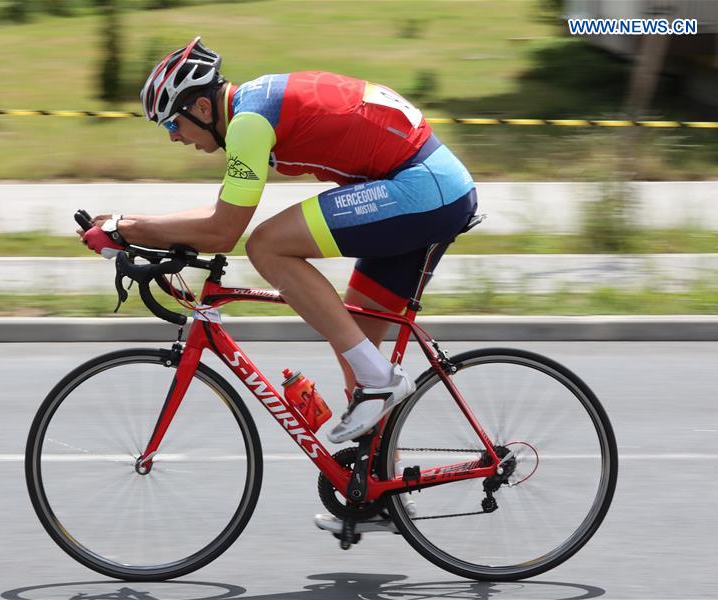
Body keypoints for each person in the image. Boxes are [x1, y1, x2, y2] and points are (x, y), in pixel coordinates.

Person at [80, 37, 478, 533]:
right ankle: (380, 497)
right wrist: (132, 226)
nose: (173, 137)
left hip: (420, 188)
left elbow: (226, 232)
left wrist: (131, 226)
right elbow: (218, 214)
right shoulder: (250, 110)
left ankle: (381, 383)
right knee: (355, 339)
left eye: (172, 122)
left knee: (266, 247)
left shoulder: (248, 123)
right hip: (423, 186)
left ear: (202, 107)